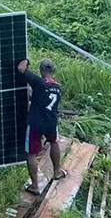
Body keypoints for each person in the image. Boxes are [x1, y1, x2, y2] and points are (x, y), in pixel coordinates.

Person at [17, 58, 67, 195]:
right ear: (53, 71)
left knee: (31, 153)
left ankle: (34, 186)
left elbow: (21, 69)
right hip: (51, 122)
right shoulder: (58, 88)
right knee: (54, 142)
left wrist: (26, 60)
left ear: (41, 71)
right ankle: (57, 171)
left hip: (36, 123)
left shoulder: (39, 82)